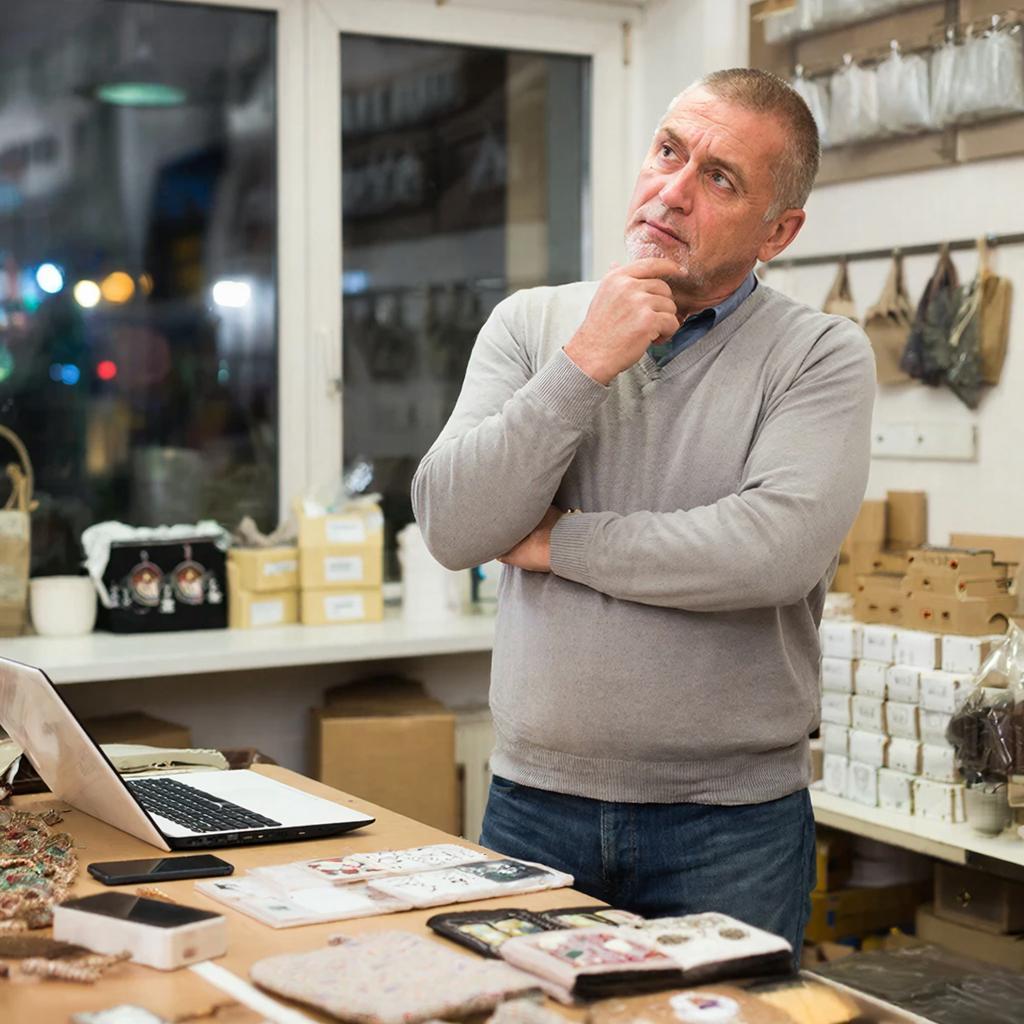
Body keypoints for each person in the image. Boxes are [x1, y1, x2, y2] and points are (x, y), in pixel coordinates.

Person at [411, 68, 875, 954]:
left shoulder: (820, 355)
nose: (672, 190)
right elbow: (454, 527)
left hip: (729, 827)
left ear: (778, 231)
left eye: (719, 177)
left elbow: (770, 551)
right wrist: (585, 361)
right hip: (532, 806)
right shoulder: (531, 326)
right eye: (669, 151)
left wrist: (560, 542)